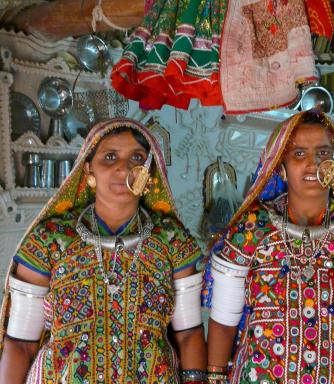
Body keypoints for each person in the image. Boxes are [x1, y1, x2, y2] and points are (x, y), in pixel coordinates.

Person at [0, 118, 206, 383]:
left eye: (137, 157)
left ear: (148, 171)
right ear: (89, 170)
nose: (124, 168)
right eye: (110, 157)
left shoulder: (171, 240)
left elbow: (189, 333)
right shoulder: (51, 240)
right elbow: (20, 343)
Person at [206, 109, 334, 383]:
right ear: (281, 167)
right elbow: (223, 324)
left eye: (323, 153)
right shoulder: (251, 231)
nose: (313, 163)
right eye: (299, 154)